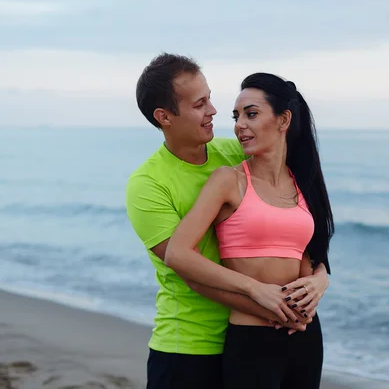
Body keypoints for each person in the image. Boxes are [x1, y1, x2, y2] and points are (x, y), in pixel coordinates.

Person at [125, 54, 310, 389]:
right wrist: (274, 309)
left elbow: (295, 218)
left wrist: (321, 276)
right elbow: (190, 273)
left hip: (246, 339)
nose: (212, 111)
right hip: (188, 348)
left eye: (209, 98)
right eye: (199, 104)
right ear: (164, 116)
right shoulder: (147, 184)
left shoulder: (236, 153)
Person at [165, 72, 334, 388]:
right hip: (252, 340)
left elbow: (309, 256)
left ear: (283, 120)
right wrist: (253, 288)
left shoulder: (304, 184)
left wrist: (319, 280)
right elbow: (177, 254)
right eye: (237, 116)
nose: (239, 124)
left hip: (305, 337)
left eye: (251, 114)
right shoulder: (228, 180)